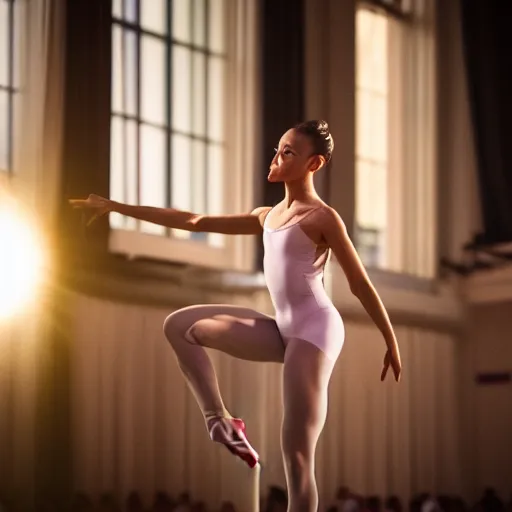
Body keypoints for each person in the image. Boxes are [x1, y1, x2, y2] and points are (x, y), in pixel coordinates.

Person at [70, 120, 402, 512]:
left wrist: (390, 340)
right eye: (278, 148)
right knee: (180, 326)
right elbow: (194, 221)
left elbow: (360, 284)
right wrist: (115, 207)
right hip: (283, 328)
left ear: (314, 164)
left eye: (288, 153)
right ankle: (222, 422)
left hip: (315, 330)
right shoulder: (267, 215)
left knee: (296, 458)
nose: (276, 157)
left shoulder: (323, 218)